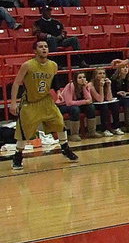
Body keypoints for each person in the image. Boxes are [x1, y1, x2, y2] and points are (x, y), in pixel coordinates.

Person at [9, 41, 80, 169]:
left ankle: (65, 148)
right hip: (30, 102)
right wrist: (13, 103)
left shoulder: (53, 65)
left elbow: (54, 81)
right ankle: (17, 155)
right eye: (41, 47)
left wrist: (58, 92)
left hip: (46, 100)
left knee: (59, 121)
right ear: (35, 51)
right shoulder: (28, 65)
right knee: (24, 131)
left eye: (46, 46)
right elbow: (16, 83)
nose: (44, 49)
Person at [88, 67, 123, 136]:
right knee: (104, 107)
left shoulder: (106, 82)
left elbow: (109, 98)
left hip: (103, 102)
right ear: (95, 75)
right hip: (94, 104)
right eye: (100, 73)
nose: (102, 75)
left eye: (104, 73)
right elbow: (100, 99)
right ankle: (104, 129)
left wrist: (109, 86)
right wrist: (101, 87)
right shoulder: (90, 85)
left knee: (115, 104)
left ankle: (116, 127)